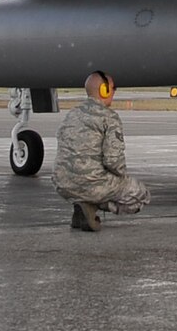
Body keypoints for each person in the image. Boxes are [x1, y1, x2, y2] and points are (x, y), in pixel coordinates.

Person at [53, 71, 150, 231]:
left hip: (62, 183)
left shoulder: (72, 114)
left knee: (96, 184)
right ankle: (92, 206)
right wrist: (122, 178)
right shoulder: (109, 117)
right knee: (141, 195)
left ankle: (82, 203)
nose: (114, 92)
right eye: (113, 88)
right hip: (91, 182)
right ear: (104, 90)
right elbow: (113, 161)